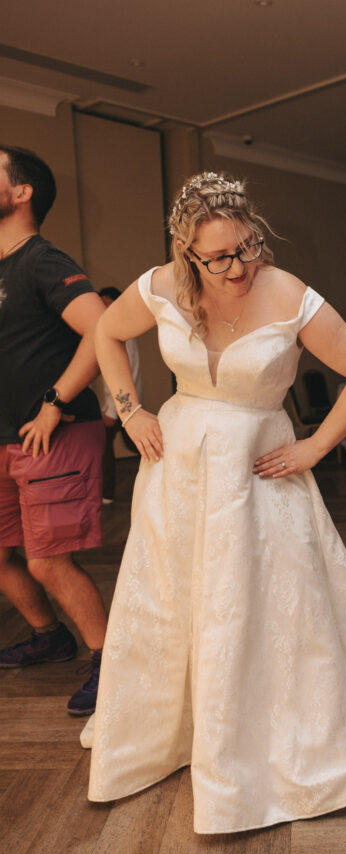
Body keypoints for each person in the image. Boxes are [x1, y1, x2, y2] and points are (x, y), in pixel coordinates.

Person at [80, 171, 346, 833]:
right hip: (179, 470)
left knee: (269, 603)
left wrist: (315, 447)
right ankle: (170, 733)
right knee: (172, 597)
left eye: (247, 246)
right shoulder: (160, 285)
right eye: (219, 256)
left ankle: (262, 746)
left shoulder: (288, 293)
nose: (238, 266)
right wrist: (130, 409)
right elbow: (107, 333)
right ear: (185, 252)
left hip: (259, 472)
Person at [0, 145, 107, 716]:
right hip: (3, 440)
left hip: (54, 434)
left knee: (46, 559)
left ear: (22, 193)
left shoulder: (41, 260)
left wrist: (53, 402)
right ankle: (49, 634)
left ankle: (108, 659)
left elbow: (104, 330)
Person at [97, 287, 143, 503]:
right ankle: (106, 493)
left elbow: (123, 374)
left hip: (123, 405)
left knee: (139, 444)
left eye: (107, 303)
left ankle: (106, 493)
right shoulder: (111, 329)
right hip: (123, 405)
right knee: (137, 444)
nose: (104, 308)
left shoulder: (122, 332)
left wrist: (114, 411)